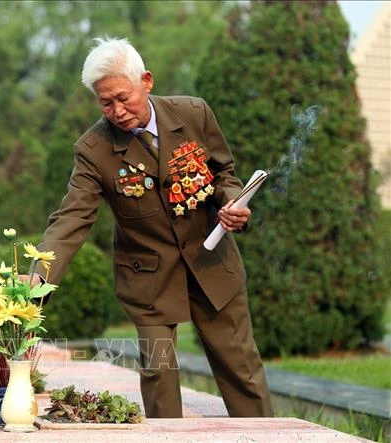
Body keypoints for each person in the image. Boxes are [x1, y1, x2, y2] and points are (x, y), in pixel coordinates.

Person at [37, 37, 274, 418]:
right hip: (147, 278)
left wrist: (231, 202)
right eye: (105, 102)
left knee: (241, 371)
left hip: (213, 265)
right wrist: (38, 279)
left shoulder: (194, 114)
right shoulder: (93, 149)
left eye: (123, 97)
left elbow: (223, 172)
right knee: (160, 377)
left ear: (146, 81)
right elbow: (71, 218)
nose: (117, 111)